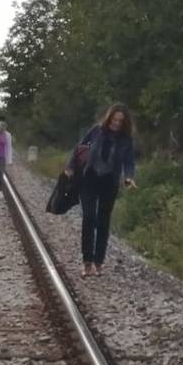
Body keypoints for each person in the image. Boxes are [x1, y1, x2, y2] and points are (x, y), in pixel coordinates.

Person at [63, 103, 138, 276]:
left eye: (121, 121)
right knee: (89, 217)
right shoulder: (97, 131)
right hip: (89, 178)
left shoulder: (125, 139)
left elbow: (129, 161)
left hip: (109, 182)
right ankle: (87, 261)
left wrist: (128, 178)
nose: (117, 123)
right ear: (109, 117)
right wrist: (71, 167)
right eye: (115, 119)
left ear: (124, 123)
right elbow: (80, 148)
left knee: (103, 222)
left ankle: (99, 262)